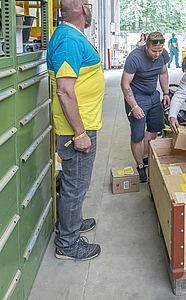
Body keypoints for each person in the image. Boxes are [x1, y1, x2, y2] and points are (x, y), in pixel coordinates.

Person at [47, 0, 103, 261]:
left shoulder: (70, 35)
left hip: (81, 124)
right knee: (75, 185)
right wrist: (80, 133)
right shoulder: (69, 39)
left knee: (76, 183)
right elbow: (64, 90)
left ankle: (73, 221)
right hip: (77, 130)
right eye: (88, 3)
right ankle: (67, 244)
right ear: (83, 8)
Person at [121, 32, 170, 183]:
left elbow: (163, 73)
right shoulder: (135, 58)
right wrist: (134, 106)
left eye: (160, 50)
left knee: (154, 129)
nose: (157, 54)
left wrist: (166, 93)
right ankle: (140, 166)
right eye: (154, 51)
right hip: (137, 97)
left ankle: (145, 157)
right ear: (146, 47)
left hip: (153, 96)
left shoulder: (163, 55)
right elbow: (125, 84)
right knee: (137, 135)